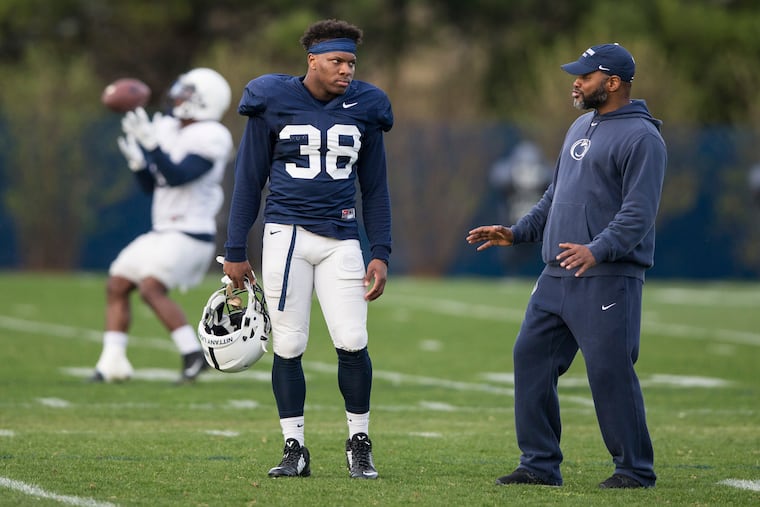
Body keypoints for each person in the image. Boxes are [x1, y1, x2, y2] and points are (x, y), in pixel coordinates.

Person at [467, 43, 666, 489]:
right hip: (555, 273)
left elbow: (638, 214)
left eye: (585, 75)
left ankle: (634, 470)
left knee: (610, 370)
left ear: (612, 83)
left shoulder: (643, 138)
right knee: (530, 357)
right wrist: (517, 232)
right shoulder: (580, 125)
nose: (575, 82)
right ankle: (539, 464)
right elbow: (554, 198)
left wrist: (599, 249)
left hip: (607, 276)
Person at [222, 19, 393, 480]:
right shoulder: (271, 99)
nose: (346, 70)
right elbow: (248, 181)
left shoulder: (368, 106)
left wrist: (381, 250)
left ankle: (359, 442)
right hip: (286, 236)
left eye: (351, 62)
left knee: (353, 341)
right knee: (290, 344)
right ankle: (294, 448)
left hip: (342, 240)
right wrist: (235, 247)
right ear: (312, 60)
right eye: (337, 61)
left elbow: (375, 188)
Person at [90, 67, 234, 385]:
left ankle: (193, 355)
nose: (177, 96)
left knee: (151, 288)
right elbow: (154, 184)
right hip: (163, 231)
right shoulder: (167, 126)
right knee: (117, 284)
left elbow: (179, 175)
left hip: (191, 232)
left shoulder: (213, 135)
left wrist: (152, 147)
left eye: (187, 92)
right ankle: (111, 362)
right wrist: (139, 164)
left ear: (203, 101)